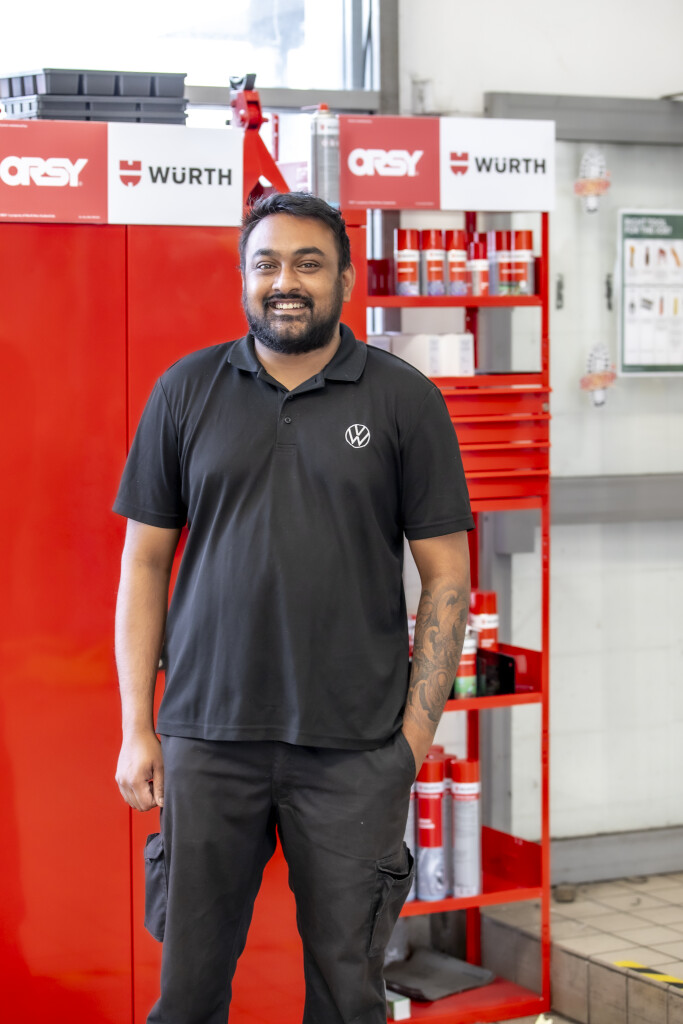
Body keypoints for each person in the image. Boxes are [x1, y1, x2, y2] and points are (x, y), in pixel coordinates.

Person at [113, 191, 473, 1024]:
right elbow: (144, 562)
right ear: (244, 278)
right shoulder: (186, 389)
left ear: (343, 279)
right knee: (187, 994)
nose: (285, 282)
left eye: (308, 263)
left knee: (348, 997)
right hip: (207, 739)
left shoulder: (402, 399)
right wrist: (138, 726)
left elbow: (446, 576)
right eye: (266, 264)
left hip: (354, 748)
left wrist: (411, 741)